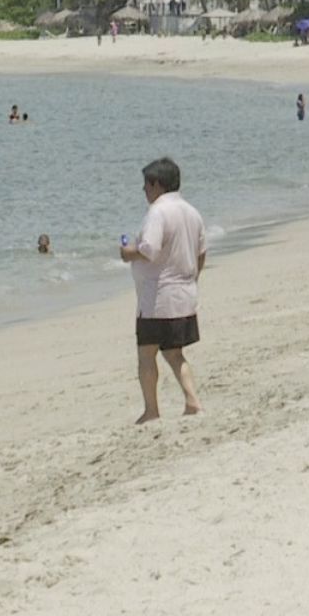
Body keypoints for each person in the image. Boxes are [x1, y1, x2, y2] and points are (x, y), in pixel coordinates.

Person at [119, 157, 207, 424]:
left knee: (147, 353)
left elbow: (149, 250)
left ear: (156, 184)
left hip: (157, 297)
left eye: (146, 185)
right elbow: (201, 253)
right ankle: (192, 400)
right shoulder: (192, 212)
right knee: (174, 352)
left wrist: (126, 253)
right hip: (184, 293)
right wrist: (192, 279)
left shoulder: (158, 211)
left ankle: (151, 410)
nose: (144, 191)